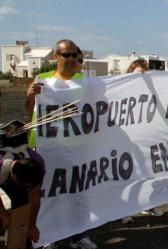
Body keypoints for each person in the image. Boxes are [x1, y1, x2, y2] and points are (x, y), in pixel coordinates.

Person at [25, 39, 98, 249]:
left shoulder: (84, 82)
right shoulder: (43, 80)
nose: (72, 59)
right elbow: (31, 113)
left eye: (75, 55)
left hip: (76, 148)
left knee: (78, 193)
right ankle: (48, 237)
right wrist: (30, 96)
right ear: (56, 57)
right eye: (67, 55)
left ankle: (80, 236)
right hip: (46, 147)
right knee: (47, 194)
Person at [119, 59, 164, 224]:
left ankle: (149, 205)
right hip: (128, 141)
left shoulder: (152, 88)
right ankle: (125, 210)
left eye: (143, 72)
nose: (140, 75)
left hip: (147, 139)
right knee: (129, 176)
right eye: (137, 71)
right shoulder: (121, 89)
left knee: (149, 174)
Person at [0, 120, 45, 246]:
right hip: (4, 171)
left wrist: (32, 224)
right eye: (23, 185)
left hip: (15, 176)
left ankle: (21, 242)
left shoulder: (38, 163)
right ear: (13, 175)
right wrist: (4, 216)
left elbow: (35, 195)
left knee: (22, 204)